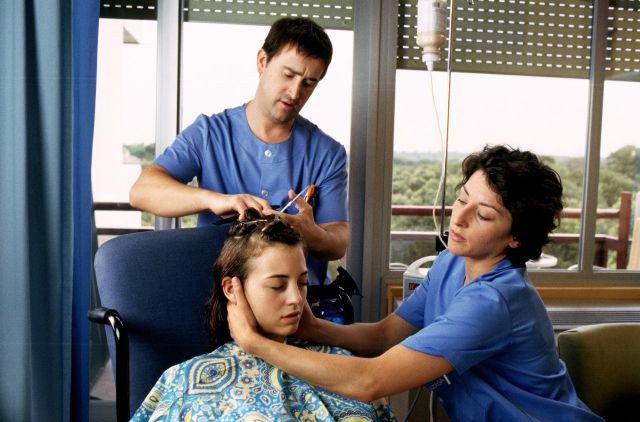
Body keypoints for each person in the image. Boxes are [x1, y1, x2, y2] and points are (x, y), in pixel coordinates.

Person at [226, 145, 606, 421]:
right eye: (462, 200)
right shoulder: (452, 261)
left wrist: (255, 343)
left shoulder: (493, 302)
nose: (459, 219)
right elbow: (387, 335)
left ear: (517, 238)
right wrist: (313, 328)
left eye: (484, 215)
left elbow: (369, 382)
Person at [129, 17, 349, 286]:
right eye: (288, 74)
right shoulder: (208, 133)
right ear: (262, 61)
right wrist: (214, 200)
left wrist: (309, 232)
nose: (295, 92)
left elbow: (338, 242)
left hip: (300, 303)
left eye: (309, 82)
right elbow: (142, 192)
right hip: (222, 299)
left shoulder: (328, 153)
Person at [131, 209, 394, 421]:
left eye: (302, 282)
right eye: (277, 286)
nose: (296, 298)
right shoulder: (187, 382)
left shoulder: (342, 365)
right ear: (231, 289)